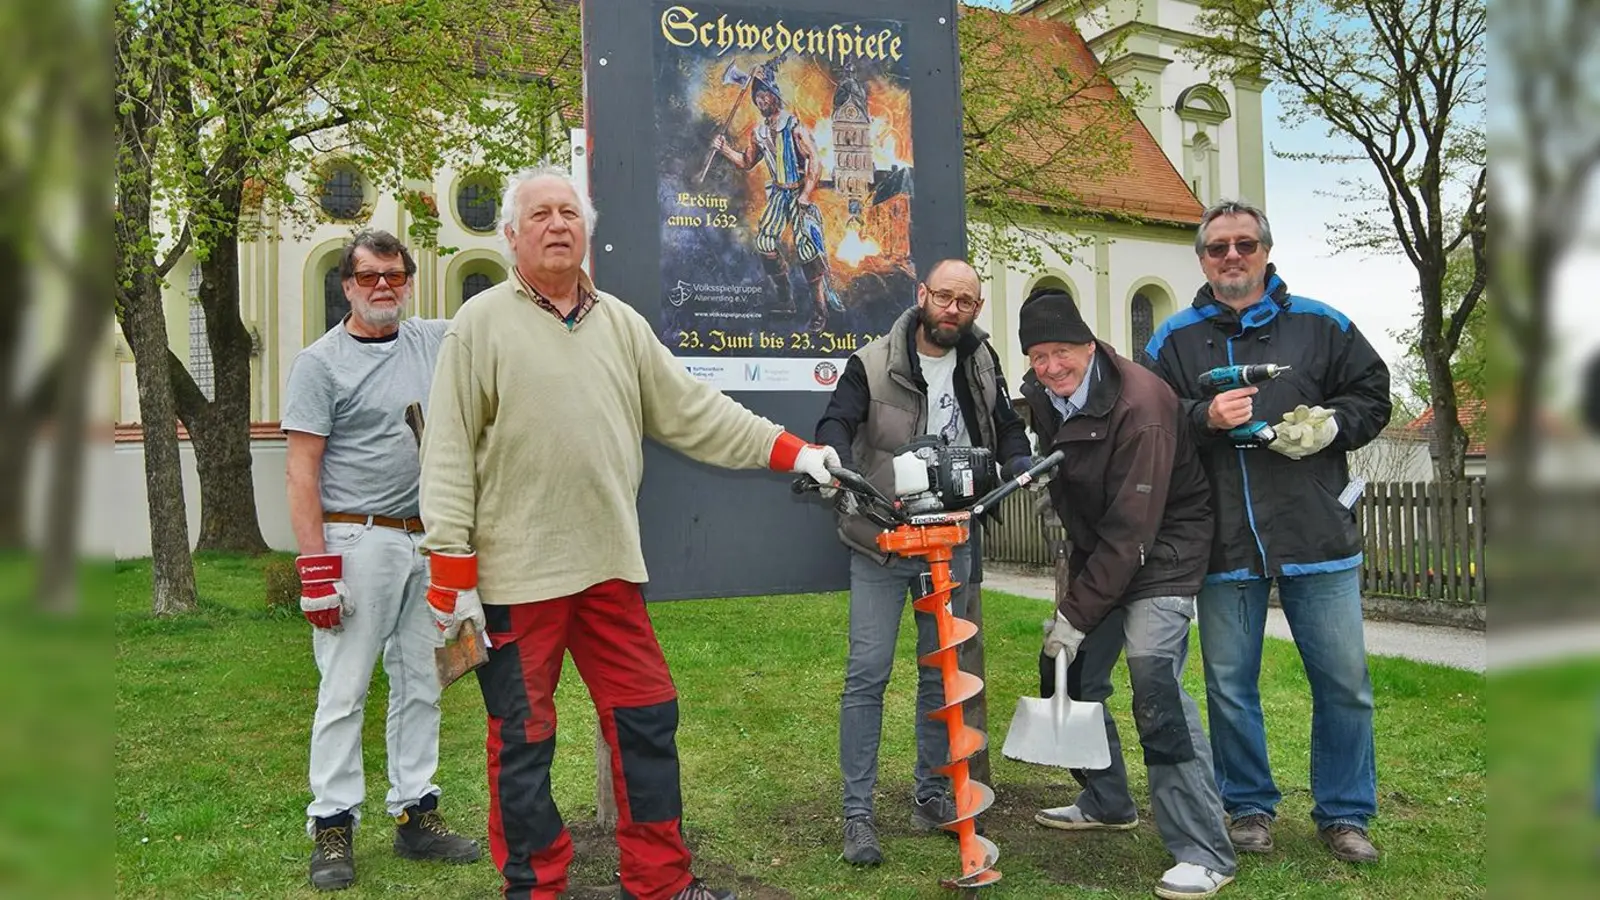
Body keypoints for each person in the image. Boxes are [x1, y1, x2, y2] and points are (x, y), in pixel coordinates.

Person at [416, 164, 839, 900]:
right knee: (522, 745)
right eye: (540, 215)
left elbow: (696, 413)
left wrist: (797, 450)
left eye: (569, 213)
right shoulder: (479, 324)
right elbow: (448, 451)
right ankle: (535, 887)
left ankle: (660, 882)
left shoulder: (619, 323)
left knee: (647, 721)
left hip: (610, 568)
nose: (557, 225)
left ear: (587, 232)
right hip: (517, 580)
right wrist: (450, 575)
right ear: (512, 234)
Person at [1144, 199, 1392, 864]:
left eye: (1244, 245)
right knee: (1229, 681)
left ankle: (1344, 814)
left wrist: (1332, 425)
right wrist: (1204, 419)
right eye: (1218, 247)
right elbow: (1150, 423)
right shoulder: (1170, 341)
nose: (1232, 256)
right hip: (1222, 537)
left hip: (1316, 531)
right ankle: (1247, 804)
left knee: (1342, 681)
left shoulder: (1323, 324)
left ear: (1265, 252)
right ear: (1201, 258)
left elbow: (1373, 394)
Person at [1015, 286, 1237, 899]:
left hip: (1163, 549)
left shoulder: (1141, 405)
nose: (1051, 367)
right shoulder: (1043, 394)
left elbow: (1133, 532)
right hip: (1104, 547)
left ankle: (1203, 849)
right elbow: (1035, 441)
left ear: (1089, 345)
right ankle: (1107, 799)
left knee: (1153, 677)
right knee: (1068, 669)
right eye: (1038, 356)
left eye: (1062, 351)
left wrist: (1075, 613)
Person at [813, 259, 1033, 866]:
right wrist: (830, 457)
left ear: (975, 309)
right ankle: (857, 814)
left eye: (965, 301)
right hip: (883, 537)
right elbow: (837, 419)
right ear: (922, 295)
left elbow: (1009, 428)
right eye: (944, 297)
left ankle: (932, 792)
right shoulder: (873, 361)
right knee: (868, 672)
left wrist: (1017, 462)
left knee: (942, 670)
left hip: (951, 538)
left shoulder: (982, 362)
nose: (952, 310)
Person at [282, 229, 481, 892]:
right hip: (355, 538)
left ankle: (415, 813)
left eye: (394, 275)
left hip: (428, 540)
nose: (382, 287)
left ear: (408, 280)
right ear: (346, 284)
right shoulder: (321, 363)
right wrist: (315, 572)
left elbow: (499, 318)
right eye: (368, 276)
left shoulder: (432, 340)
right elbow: (301, 471)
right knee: (344, 688)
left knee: (423, 680)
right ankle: (333, 823)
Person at [710, 60, 843, 331]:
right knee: (766, 242)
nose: (761, 100)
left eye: (765, 95)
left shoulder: (794, 127)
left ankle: (819, 309)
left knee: (807, 250)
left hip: (798, 193)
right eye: (757, 96)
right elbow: (748, 161)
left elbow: (814, 162)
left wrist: (806, 195)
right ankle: (786, 299)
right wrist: (724, 150)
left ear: (775, 97)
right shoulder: (758, 133)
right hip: (779, 196)